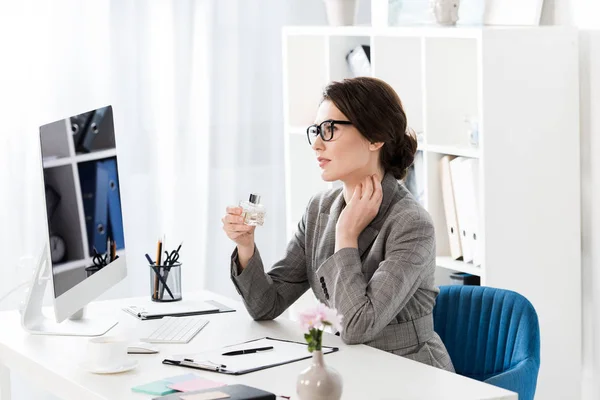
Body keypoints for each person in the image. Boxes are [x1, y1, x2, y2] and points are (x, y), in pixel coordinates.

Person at [222, 77, 454, 372]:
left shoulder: (411, 224)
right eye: (316, 131)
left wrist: (346, 235)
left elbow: (357, 326)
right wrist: (245, 246)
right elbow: (266, 306)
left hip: (410, 373)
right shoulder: (319, 209)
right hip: (349, 369)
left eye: (330, 130)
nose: (317, 144)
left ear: (375, 137)